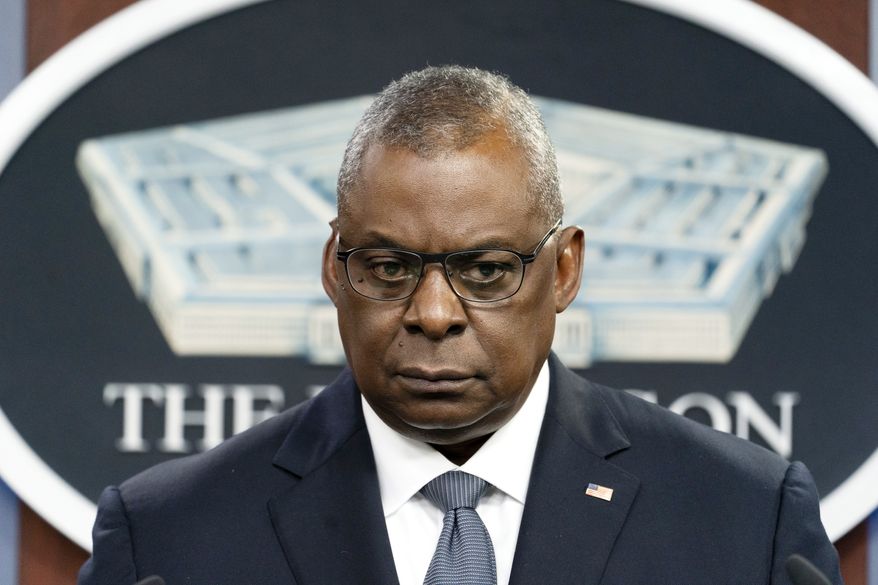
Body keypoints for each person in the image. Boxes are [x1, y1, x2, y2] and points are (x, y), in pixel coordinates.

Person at [79, 65, 842, 585]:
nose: (434, 314)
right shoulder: (168, 539)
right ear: (332, 268)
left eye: (485, 271)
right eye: (386, 267)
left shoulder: (744, 519)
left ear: (564, 271)